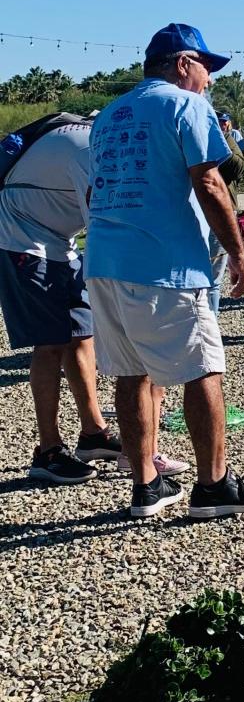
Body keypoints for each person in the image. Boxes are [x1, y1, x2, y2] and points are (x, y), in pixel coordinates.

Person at [85, 23, 244, 519]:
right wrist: (237, 252)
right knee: (201, 369)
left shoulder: (108, 115)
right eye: (206, 68)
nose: (209, 79)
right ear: (183, 63)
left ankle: (145, 485)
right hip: (164, 263)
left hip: (105, 260)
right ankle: (213, 487)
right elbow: (210, 181)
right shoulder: (185, 105)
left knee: (130, 374)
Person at [0, 114, 123, 483]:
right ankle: (47, 450)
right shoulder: (89, 150)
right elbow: (105, 226)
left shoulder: (92, 137)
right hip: (20, 239)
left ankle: (93, 434)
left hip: (58, 240)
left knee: (81, 335)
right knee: (49, 342)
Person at [209, 113, 244, 316]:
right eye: (218, 121)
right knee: (209, 278)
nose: (222, 124)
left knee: (212, 278)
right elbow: (236, 166)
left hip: (223, 208)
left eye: (224, 121)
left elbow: (238, 167)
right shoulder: (218, 138)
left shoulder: (227, 137)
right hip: (210, 212)